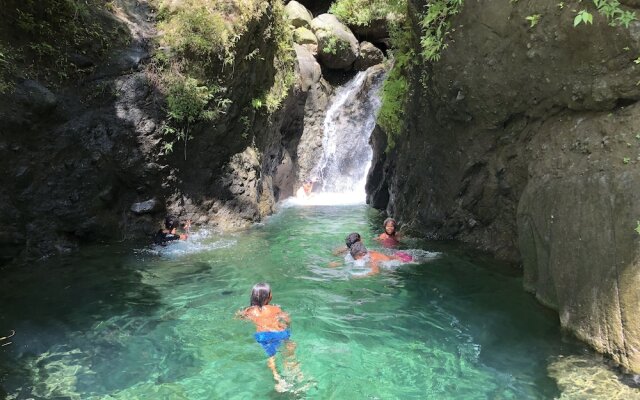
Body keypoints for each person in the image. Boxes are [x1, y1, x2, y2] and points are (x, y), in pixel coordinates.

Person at [236, 283, 300, 391]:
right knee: (289, 349)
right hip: (280, 333)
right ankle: (296, 372)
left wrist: (240, 314)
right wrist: (286, 325)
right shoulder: (275, 308)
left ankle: (278, 379)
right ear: (269, 296)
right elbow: (287, 319)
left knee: (272, 357)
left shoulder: (250, 311)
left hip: (264, 336)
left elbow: (238, 317)